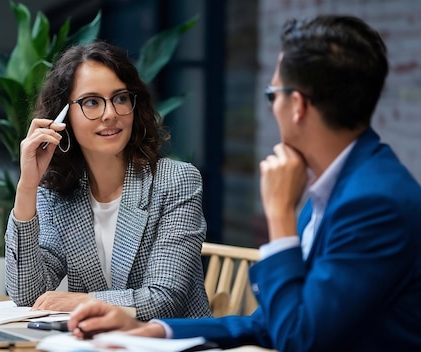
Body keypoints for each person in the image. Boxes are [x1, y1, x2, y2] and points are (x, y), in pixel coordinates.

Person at [67, 15, 421, 351]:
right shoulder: (339, 187)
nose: (272, 107)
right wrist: (155, 330)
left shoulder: (373, 202)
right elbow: (274, 322)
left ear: (296, 105)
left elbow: (300, 340)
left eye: (273, 94)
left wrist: (280, 213)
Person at [5, 41, 212, 320]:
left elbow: (163, 300)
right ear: (62, 116)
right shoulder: (57, 194)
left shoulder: (176, 181)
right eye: (91, 101)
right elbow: (28, 294)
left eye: (120, 98)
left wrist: (82, 301)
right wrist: (27, 187)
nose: (110, 114)